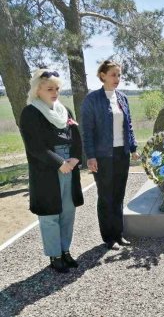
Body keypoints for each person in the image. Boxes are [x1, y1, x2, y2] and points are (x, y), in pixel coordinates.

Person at [20, 69, 84, 273]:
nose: (55, 92)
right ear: (38, 90)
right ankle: (55, 255)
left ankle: (65, 251)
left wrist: (74, 158)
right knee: (50, 215)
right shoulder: (31, 112)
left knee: (67, 212)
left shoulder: (65, 111)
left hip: (69, 166)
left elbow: (76, 137)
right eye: (50, 89)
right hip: (47, 169)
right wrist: (59, 163)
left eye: (57, 88)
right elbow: (35, 146)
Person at [81, 60, 139, 250]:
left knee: (119, 194)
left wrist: (133, 148)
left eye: (119, 75)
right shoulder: (92, 100)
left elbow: (128, 126)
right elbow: (87, 132)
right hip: (103, 155)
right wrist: (90, 156)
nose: (117, 79)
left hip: (122, 154)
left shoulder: (122, 98)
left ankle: (118, 234)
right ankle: (108, 238)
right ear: (102, 75)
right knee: (106, 196)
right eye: (113, 74)